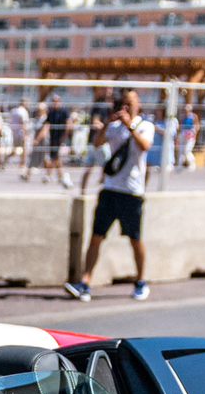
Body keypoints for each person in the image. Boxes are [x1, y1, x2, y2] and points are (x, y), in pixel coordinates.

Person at [65, 89, 155, 303]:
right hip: (110, 189)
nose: (126, 108)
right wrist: (108, 122)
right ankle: (85, 283)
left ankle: (140, 281)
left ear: (138, 104)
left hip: (132, 192)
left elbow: (145, 146)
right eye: (123, 104)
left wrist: (130, 125)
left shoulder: (145, 126)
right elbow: (97, 143)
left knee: (135, 239)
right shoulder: (114, 127)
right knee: (96, 236)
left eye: (130, 103)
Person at [40, 92, 69, 187]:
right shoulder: (51, 112)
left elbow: (67, 124)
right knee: (54, 157)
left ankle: (50, 174)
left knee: (54, 156)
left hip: (59, 137)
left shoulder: (64, 111)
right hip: (53, 137)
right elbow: (47, 124)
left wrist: (64, 136)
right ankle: (59, 175)